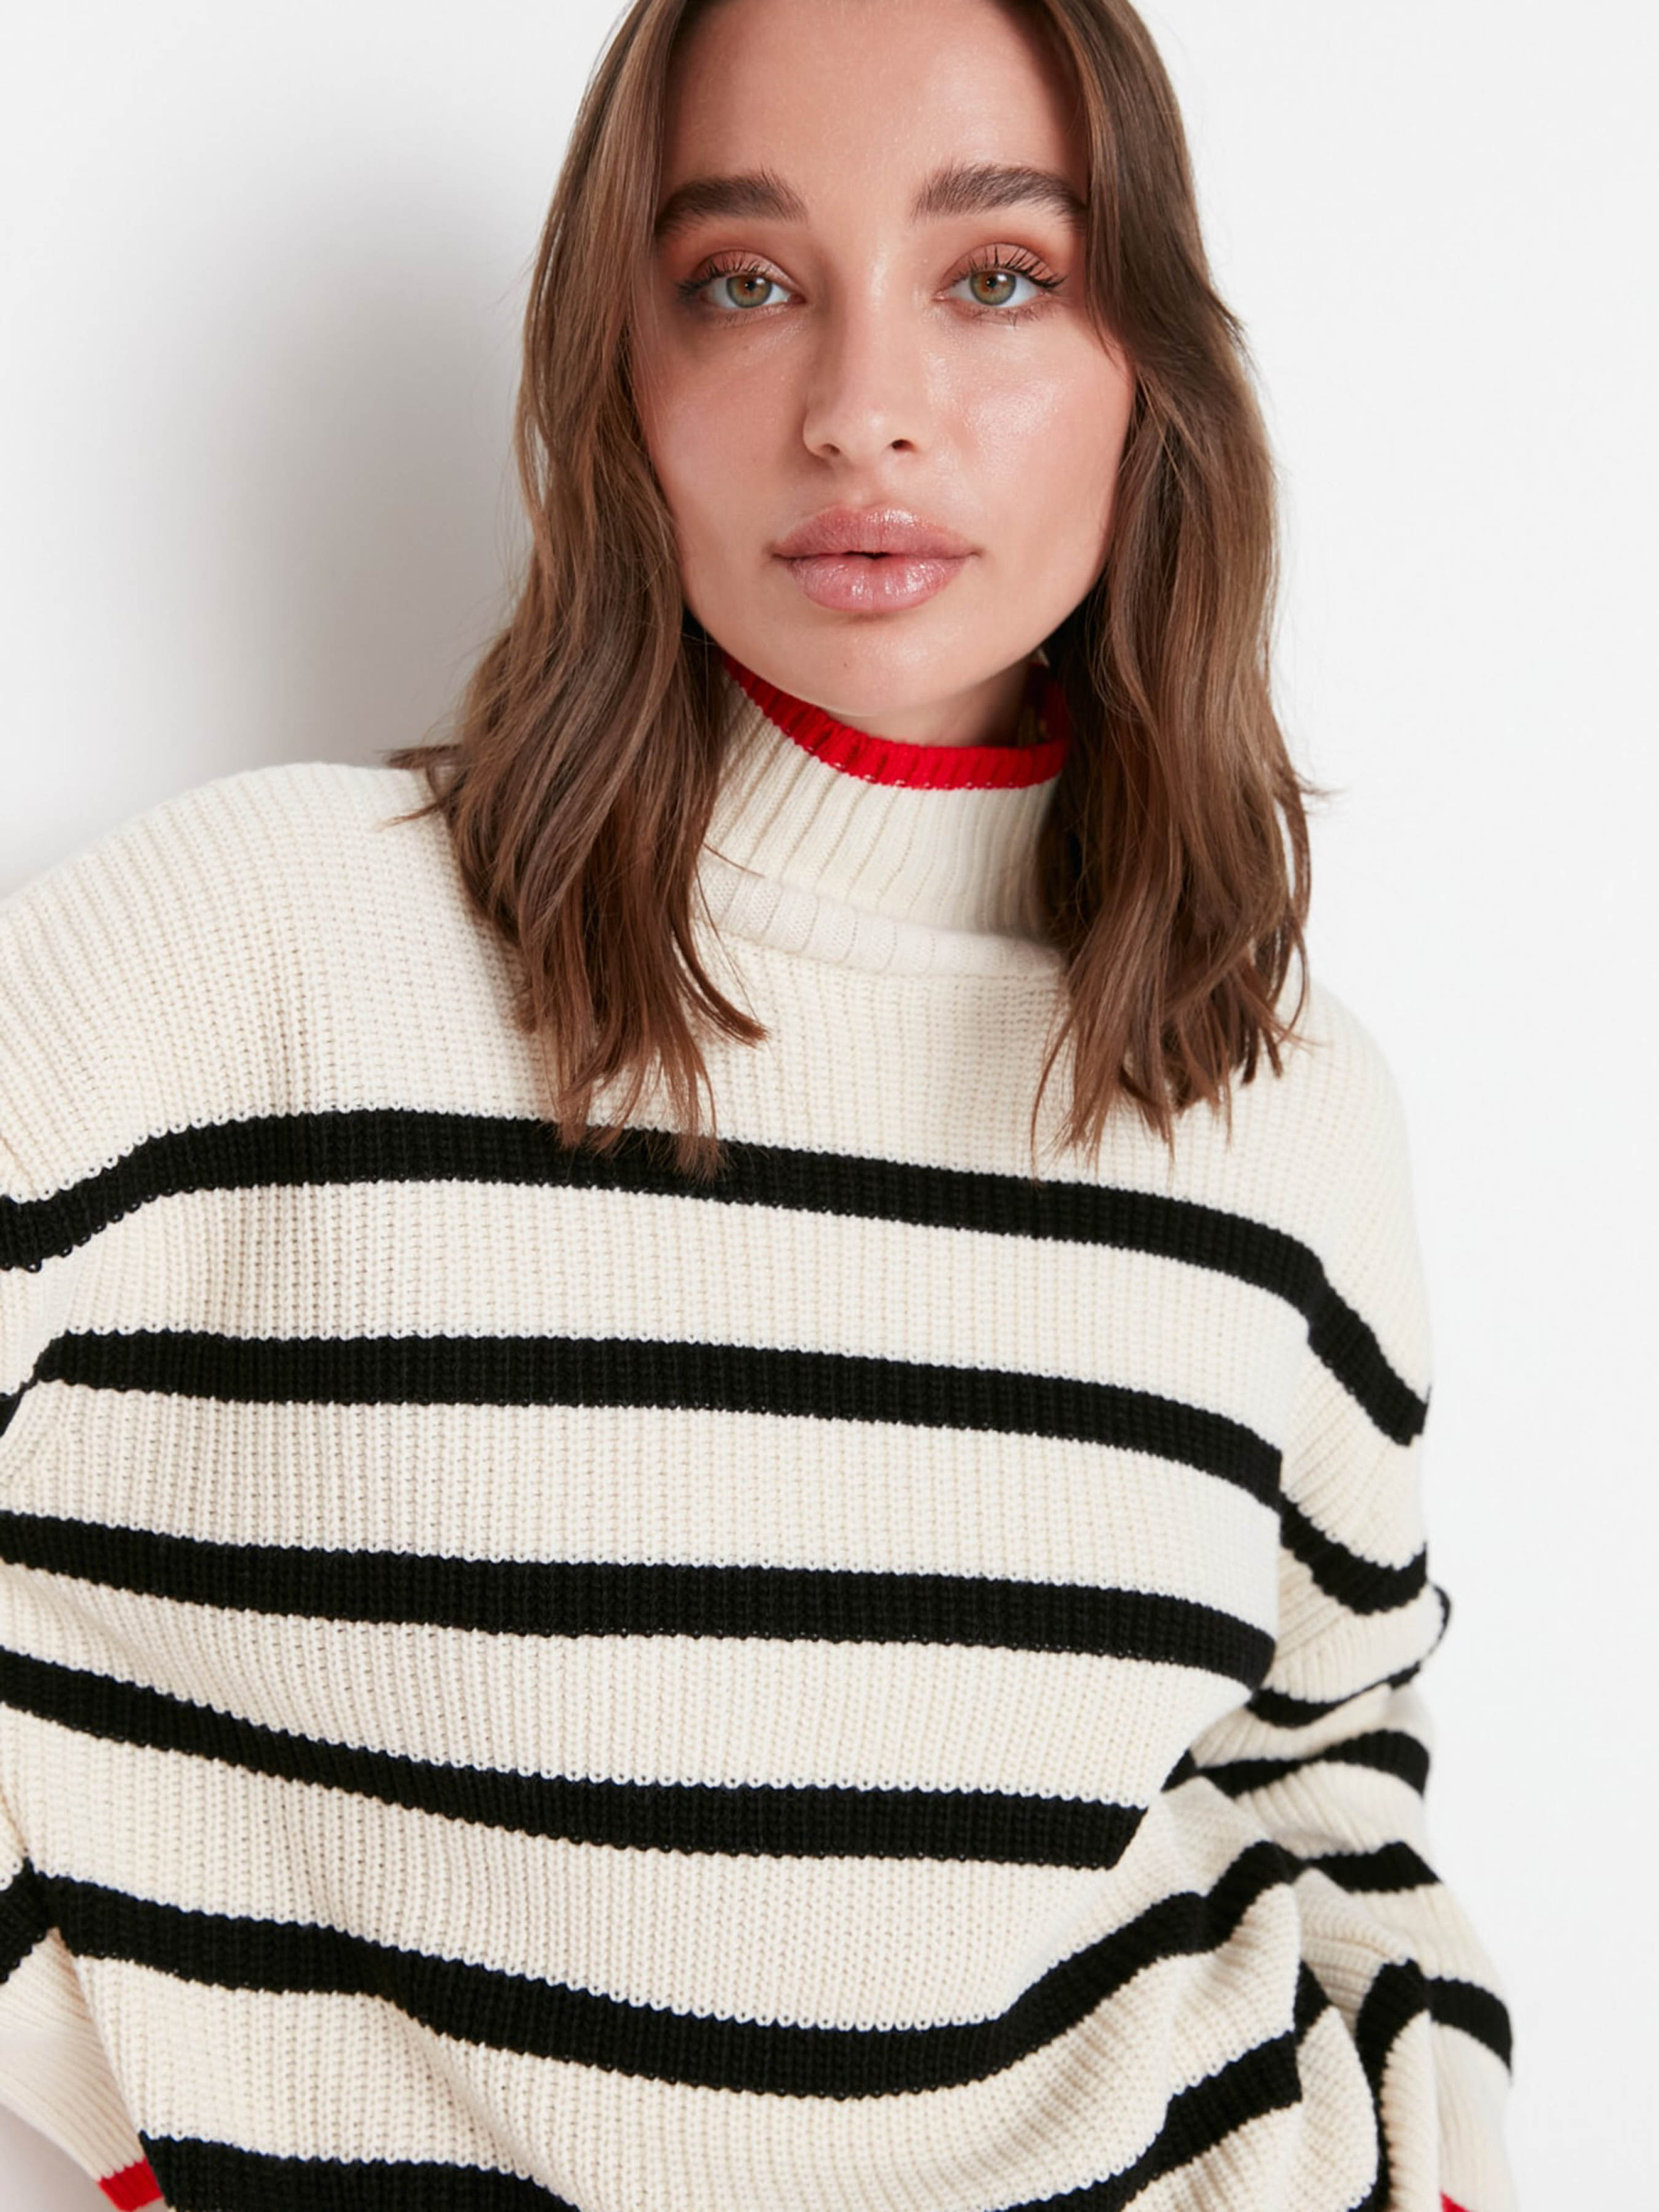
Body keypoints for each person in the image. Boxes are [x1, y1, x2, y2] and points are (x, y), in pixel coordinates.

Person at [0, 0, 1514, 2206]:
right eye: (742, 280)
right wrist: (99, 2075)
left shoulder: (1281, 1102)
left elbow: (1330, 1758)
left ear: (1152, 372)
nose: (861, 408)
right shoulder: (241, 948)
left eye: (997, 276)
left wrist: (1435, 2139)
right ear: (615, 371)